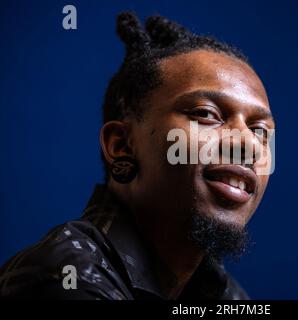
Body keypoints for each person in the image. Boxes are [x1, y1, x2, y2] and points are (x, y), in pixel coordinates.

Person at [0, 12, 275, 300]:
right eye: (206, 114)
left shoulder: (226, 294)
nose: (248, 143)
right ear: (122, 145)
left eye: (260, 130)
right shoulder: (64, 278)